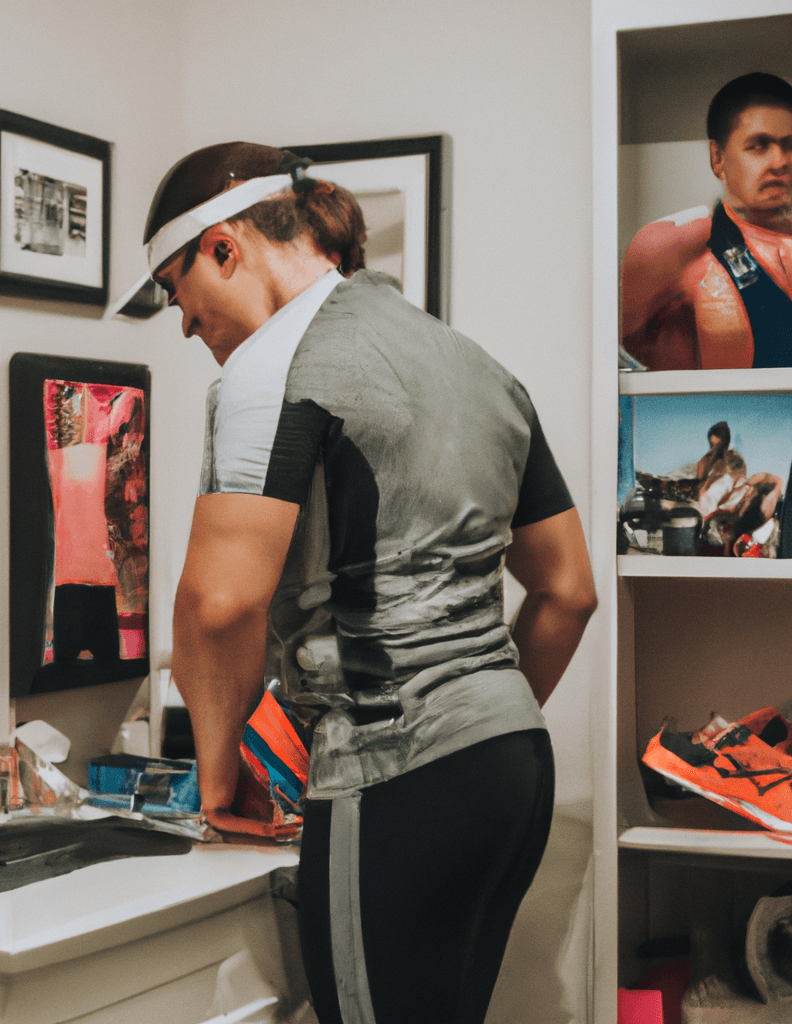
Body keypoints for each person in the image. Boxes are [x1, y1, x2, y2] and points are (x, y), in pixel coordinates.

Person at [144, 142, 597, 1024]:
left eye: (175, 290)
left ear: (224, 249)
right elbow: (568, 589)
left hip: (392, 770)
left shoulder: (272, 364)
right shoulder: (475, 365)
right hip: (513, 767)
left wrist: (216, 778)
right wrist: (478, 719)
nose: (186, 325)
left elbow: (219, 602)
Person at [621, 72, 792, 370]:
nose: (780, 162)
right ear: (718, 158)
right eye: (759, 146)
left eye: (790, 145)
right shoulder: (675, 248)